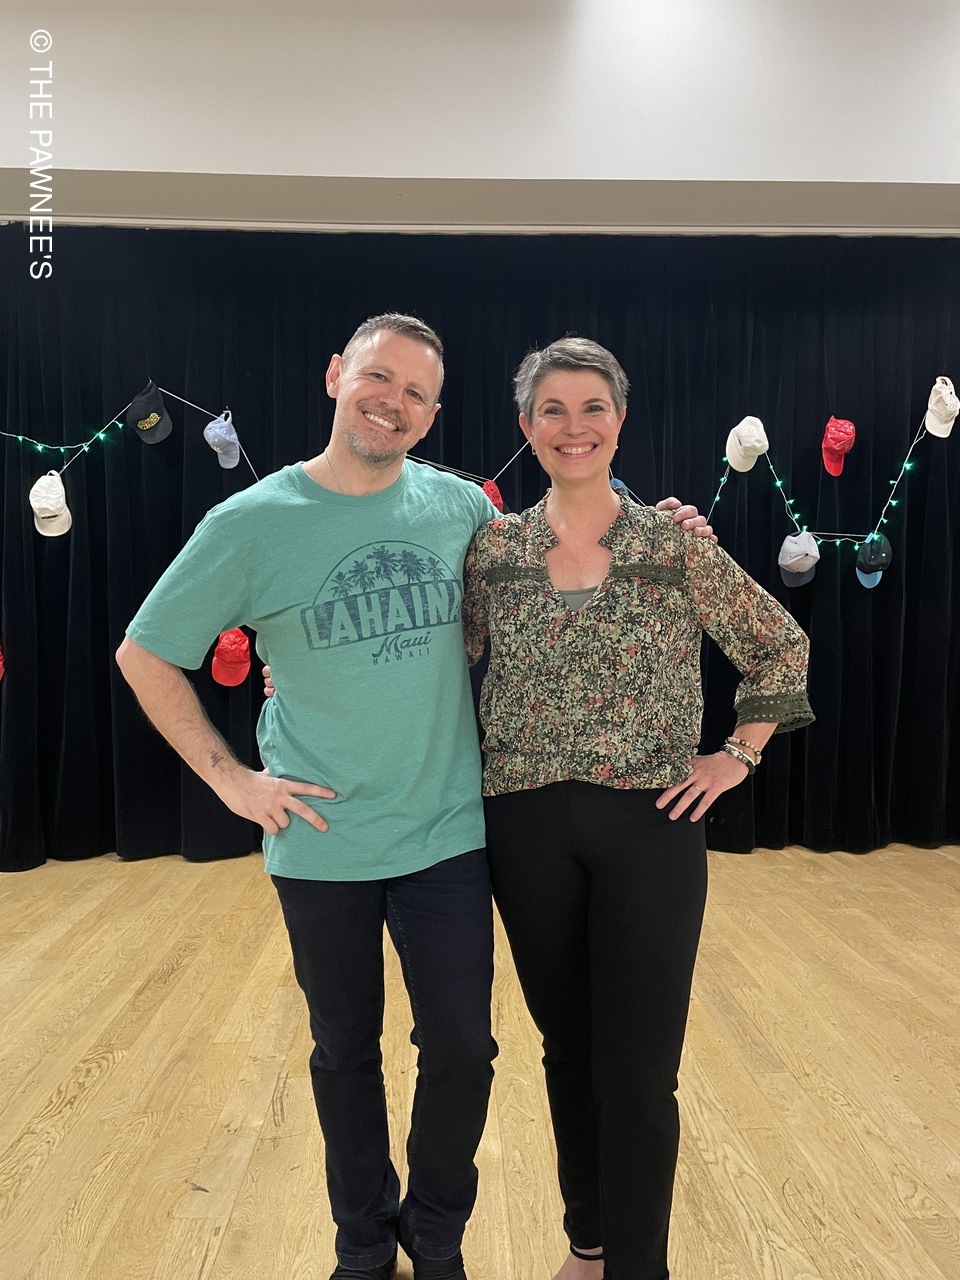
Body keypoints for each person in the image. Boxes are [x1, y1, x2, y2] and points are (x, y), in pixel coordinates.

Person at [116, 314, 712, 1280]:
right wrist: (231, 780)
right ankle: (363, 1241)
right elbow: (146, 653)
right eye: (377, 379)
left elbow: (571, 532)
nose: (392, 403)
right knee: (343, 1051)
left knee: (465, 1050)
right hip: (321, 838)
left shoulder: (461, 509)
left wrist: (669, 524)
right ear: (335, 377)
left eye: (416, 393)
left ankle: (434, 1235)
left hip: (447, 831)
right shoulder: (250, 523)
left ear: (433, 415)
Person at [460, 337, 814, 1280]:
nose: (573, 427)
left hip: (651, 828)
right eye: (553, 409)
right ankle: (589, 1246)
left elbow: (779, 645)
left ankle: (638, 1268)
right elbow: (437, 664)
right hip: (524, 827)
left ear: (620, 422)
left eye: (593, 408)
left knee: (641, 1071)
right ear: (527, 425)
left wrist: (738, 755)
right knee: (566, 1050)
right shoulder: (493, 549)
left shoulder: (673, 544)